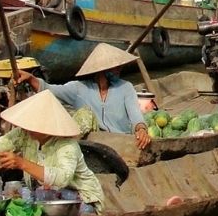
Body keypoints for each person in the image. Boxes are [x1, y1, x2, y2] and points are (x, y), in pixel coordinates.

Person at [0, 89, 106, 215]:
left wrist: (21, 163)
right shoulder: (23, 134)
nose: (27, 128)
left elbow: (61, 178)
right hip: (45, 196)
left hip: (81, 199)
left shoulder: (67, 145)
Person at [14, 43, 151, 149]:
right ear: (102, 70)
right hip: (93, 144)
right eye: (114, 67)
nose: (119, 69)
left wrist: (141, 129)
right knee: (84, 115)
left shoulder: (125, 87)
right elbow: (50, 90)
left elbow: (136, 116)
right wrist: (31, 79)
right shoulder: (79, 88)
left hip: (121, 142)